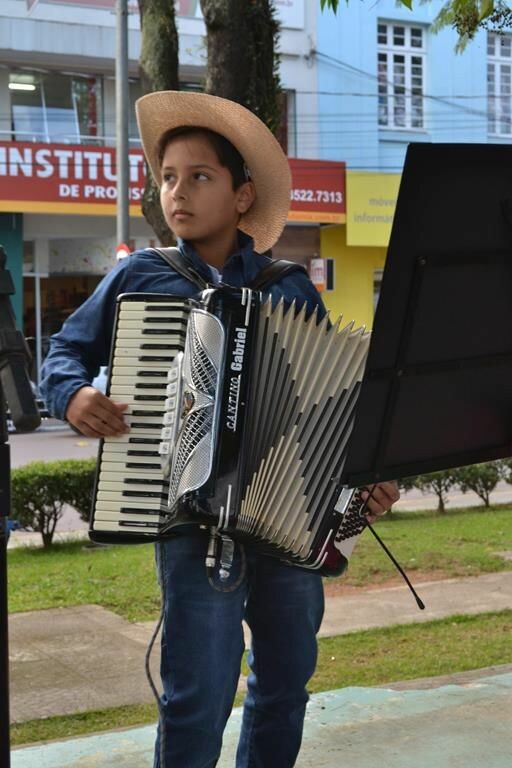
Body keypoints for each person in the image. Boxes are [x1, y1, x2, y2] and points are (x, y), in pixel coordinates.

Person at [40, 90, 399, 768]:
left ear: (242, 197)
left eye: (198, 176)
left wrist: (364, 478)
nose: (177, 191)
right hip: (185, 522)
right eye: (167, 178)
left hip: (287, 526)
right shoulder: (139, 277)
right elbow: (63, 352)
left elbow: (331, 404)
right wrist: (75, 394)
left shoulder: (289, 286)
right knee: (196, 699)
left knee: (285, 688)